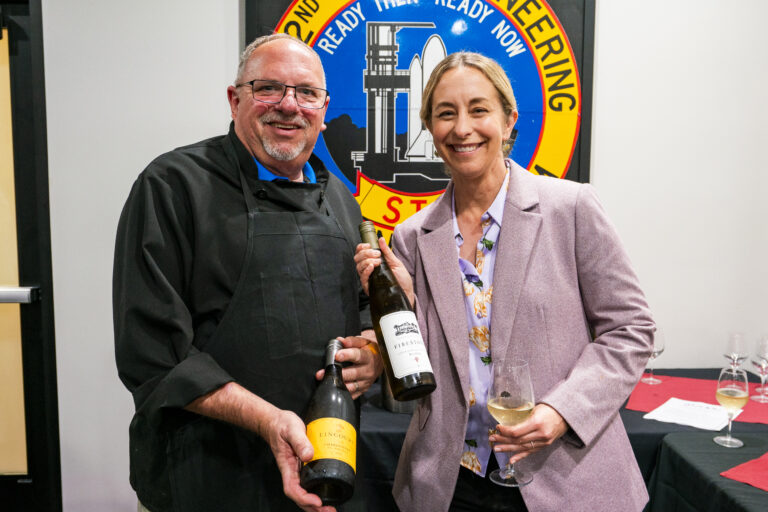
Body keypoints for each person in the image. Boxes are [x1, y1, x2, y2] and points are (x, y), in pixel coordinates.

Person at [354, 52, 654, 512]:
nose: (462, 128)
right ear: (429, 128)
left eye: (478, 109)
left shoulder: (571, 208)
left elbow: (631, 330)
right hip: (452, 483)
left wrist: (563, 411)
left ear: (509, 120)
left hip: (563, 477)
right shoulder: (412, 236)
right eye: (446, 113)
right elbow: (427, 368)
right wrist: (404, 305)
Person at [113, 33, 382, 512]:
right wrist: (266, 419)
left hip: (321, 469)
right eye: (268, 88)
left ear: (323, 110)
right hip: (205, 472)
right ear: (234, 99)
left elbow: (363, 307)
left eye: (306, 93)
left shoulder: (340, 200)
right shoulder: (173, 186)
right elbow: (152, 353)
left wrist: (373, 353)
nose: (289, 105)